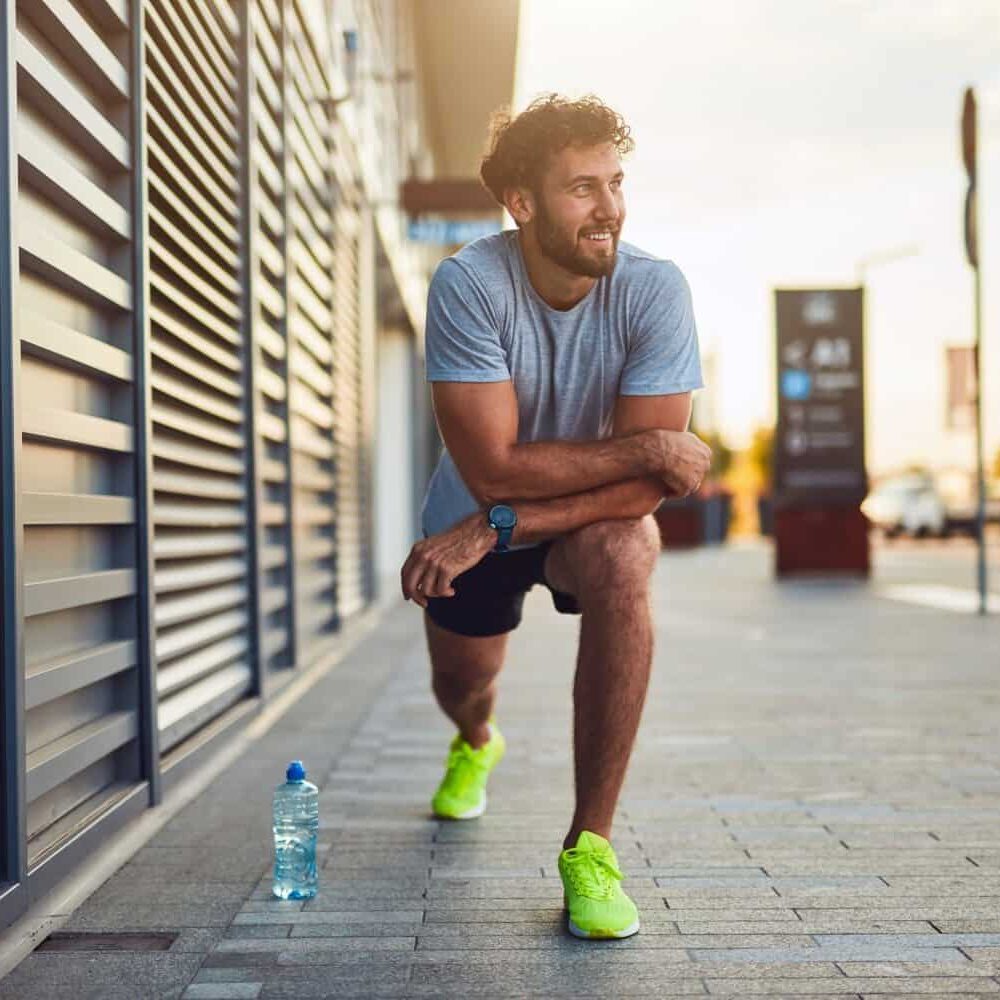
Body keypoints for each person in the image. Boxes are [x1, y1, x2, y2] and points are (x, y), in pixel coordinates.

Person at [400, 94, 711, 940]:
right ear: (523, 202)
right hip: (463, 527)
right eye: (583, 188)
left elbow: (649, 495)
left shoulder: (655, 290)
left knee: (625, 552)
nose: (609, 208)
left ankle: (590, 845)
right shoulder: (470, 285)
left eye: (616, 183)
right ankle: (475, 740)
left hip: (529, 527)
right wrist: (645, 450)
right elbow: (494, 467)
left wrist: (498, 525)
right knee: (463, 683)